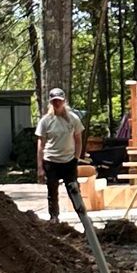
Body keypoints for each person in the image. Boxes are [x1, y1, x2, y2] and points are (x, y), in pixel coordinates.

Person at [35, 87, 88, 224]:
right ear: (51, 103)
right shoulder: (46, 121)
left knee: (74, 189)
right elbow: (40, 145)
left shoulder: (73, 119)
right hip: (51, 161)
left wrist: (76, 158)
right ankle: (54, 218)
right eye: (54, 101)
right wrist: (40, 167)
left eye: (59, 101)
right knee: (52, 190)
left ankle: (83, 217)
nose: (57, 103)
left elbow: (78, 140)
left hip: (68, 161)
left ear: (64, 101)